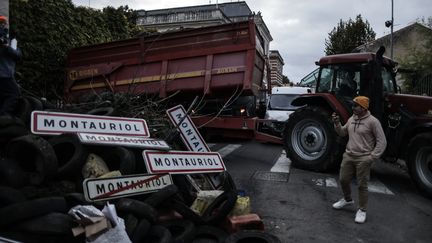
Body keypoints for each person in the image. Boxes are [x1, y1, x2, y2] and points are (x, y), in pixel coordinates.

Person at [331, 96, 387, 224]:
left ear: (363, 107)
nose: (352, 108)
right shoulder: (352, 119)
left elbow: (382, 142)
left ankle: (362, 210)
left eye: (355, 106)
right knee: (343, 179)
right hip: (349, 155)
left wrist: (372, 157)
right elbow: (342, 133)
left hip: (364, 158)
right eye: (352, 105)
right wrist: (336, 123)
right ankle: (347, 199)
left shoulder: (373, 122)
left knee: (362, 185)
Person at [0, 16, 22, 116]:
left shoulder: (10, 42)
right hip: (4, 74)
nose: (3, 25)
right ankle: (4, 117)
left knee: (6, 95)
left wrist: (7, 47)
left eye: (4, 23)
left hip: (7, 73)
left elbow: (18, 55)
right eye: (1, 23)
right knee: (14, 94)